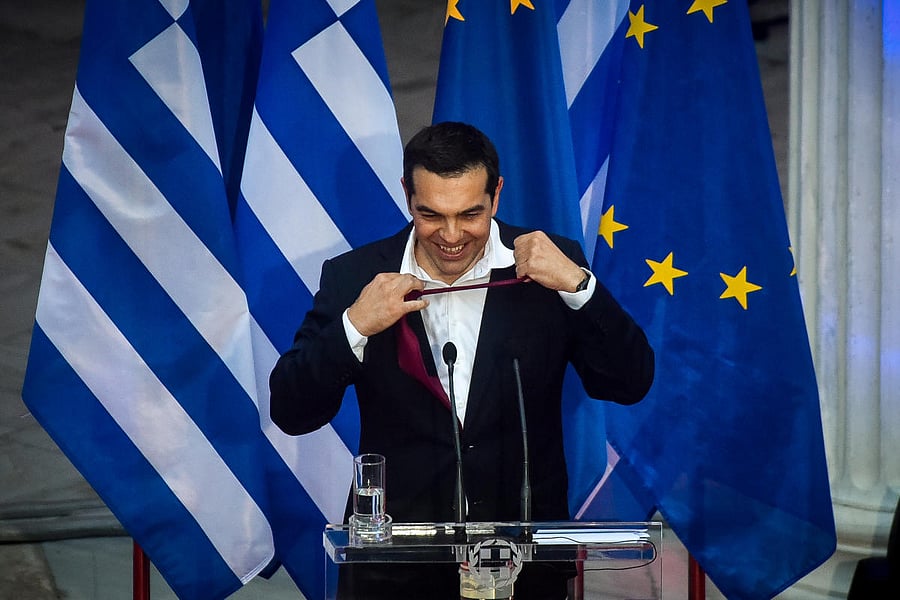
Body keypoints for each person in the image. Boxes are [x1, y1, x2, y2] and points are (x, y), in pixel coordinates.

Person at [270, 122, 654, 599]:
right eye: (431, 214)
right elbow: (291, 410)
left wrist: (580, 288)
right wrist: (355, 325)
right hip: (395, 573)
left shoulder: (550, 268)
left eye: (470, 214)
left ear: (497, 195)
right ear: (408, 194)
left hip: (523, 568)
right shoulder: (356, 276)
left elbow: (630, 381)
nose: (451, 236)